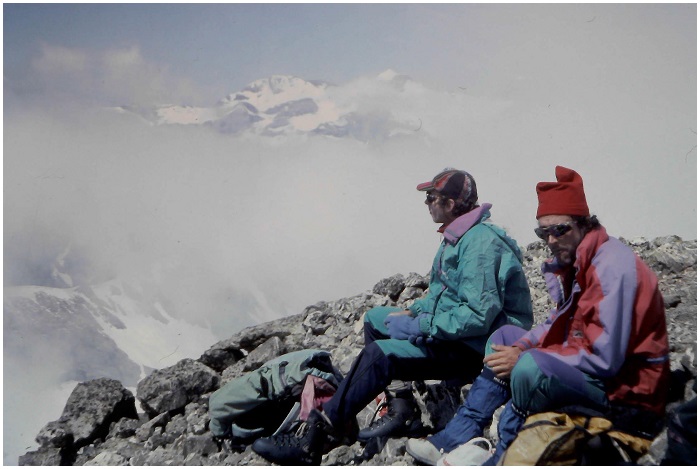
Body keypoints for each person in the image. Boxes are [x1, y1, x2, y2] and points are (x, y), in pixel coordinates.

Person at [251, 168, 534, 465]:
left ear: (450, 204)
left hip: (476, 347)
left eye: (431, 197)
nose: (427, 203)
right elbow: (445, 292)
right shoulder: (458, 234)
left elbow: (477, 315)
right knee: (376, 319)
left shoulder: (480, 244)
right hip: (460, 333)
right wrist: (415, 311)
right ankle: (401, 410)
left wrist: (421, 326)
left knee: (379, 355)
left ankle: (316, 438)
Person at [406, 166, 671, 465]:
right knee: (506, 338)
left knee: (529, 368)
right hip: (597, 371)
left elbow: (605, 358)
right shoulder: (582, 257)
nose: (551, 240)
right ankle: (459, 434)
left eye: (560, 230)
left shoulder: (611, 269)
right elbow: (560, 321)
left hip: (627, 393)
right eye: (543, 232)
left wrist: (525, 357)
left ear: (583, 223)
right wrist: (521, 345)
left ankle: (503, 455)